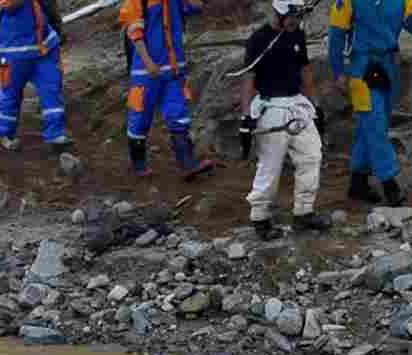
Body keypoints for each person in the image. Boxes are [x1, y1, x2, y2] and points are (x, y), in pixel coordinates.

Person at [332, 0, 412, 206]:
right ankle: (390, 184)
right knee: (376, 127)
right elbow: (336, 35)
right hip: (361, 69)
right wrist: (337, 72)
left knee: (369, 129)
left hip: (389, 68)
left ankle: (358, 184)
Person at [237, 0, 326, 239]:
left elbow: (305, 70)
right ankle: (260, 217)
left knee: (312, 156)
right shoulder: (259, 39)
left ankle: (304, 213)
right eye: (292, 16)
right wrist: (246, 118)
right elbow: (249, 78)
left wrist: (315, 106)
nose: (296, 21)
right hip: (271, 106)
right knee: (271, 164)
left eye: (298, 17)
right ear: (279, 12)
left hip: (297, 104)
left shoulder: (297, 34)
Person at [120, 0, 218, 180]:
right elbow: (135, 32)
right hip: (147, 72)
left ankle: (188, 164)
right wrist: (148, 62)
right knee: (140, 118)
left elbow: (196, 6)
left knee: (178, 115)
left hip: (173, 70)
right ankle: (139, 166)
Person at [0, 0, 79, 168]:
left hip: (44, 47)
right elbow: (6, 6)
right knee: (10, 92)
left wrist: (57, 29)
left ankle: (55, 134)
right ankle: (6, 134)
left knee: (51, 89)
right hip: (14, 52)